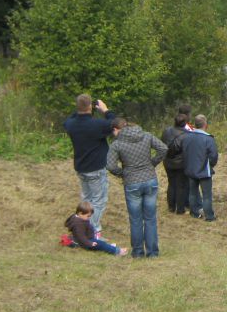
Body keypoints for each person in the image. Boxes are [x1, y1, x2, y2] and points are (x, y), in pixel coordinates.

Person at [106, 117, 167, 258]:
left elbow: (110, 165)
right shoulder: (146, 135)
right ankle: (152, 252)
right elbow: (163, 148)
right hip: (150, 179)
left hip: (132, 182)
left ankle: (138, 252)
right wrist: (152, 163)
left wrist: (122, 173)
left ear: (118, 129)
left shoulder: (117, 144)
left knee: (136, 219)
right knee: (150, 218)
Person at [63, 94, 116, 235]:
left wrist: (81, 109)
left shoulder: (71, 124)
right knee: (99, 201)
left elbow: (69, 119)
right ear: (90, 107)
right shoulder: (96, 124)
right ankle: (91, 229)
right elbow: (114, 123)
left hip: (81, 167)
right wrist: (105, 110)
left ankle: (81, 226)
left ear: (78, 108)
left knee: (86, 199)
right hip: (96, 168)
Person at [182, 114, 219, 222]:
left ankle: (194, 213)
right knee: (206, 195)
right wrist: (210, 165)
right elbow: (214, 156)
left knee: (192, 193)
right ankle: (209, 216)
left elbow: (184, 151)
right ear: (205, 125)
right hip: (204, 170)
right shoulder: (208, 139)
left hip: (191, 169)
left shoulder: (187, 136)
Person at [161, 112, 190, 214]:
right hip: (181, 164)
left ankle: (171, 207)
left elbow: (162, 144)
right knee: (181, 185)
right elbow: (187, 150)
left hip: (168, 161)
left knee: (171, 183)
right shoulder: (187, 134)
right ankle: (180, 209)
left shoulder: (166, 131)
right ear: (185, 123)